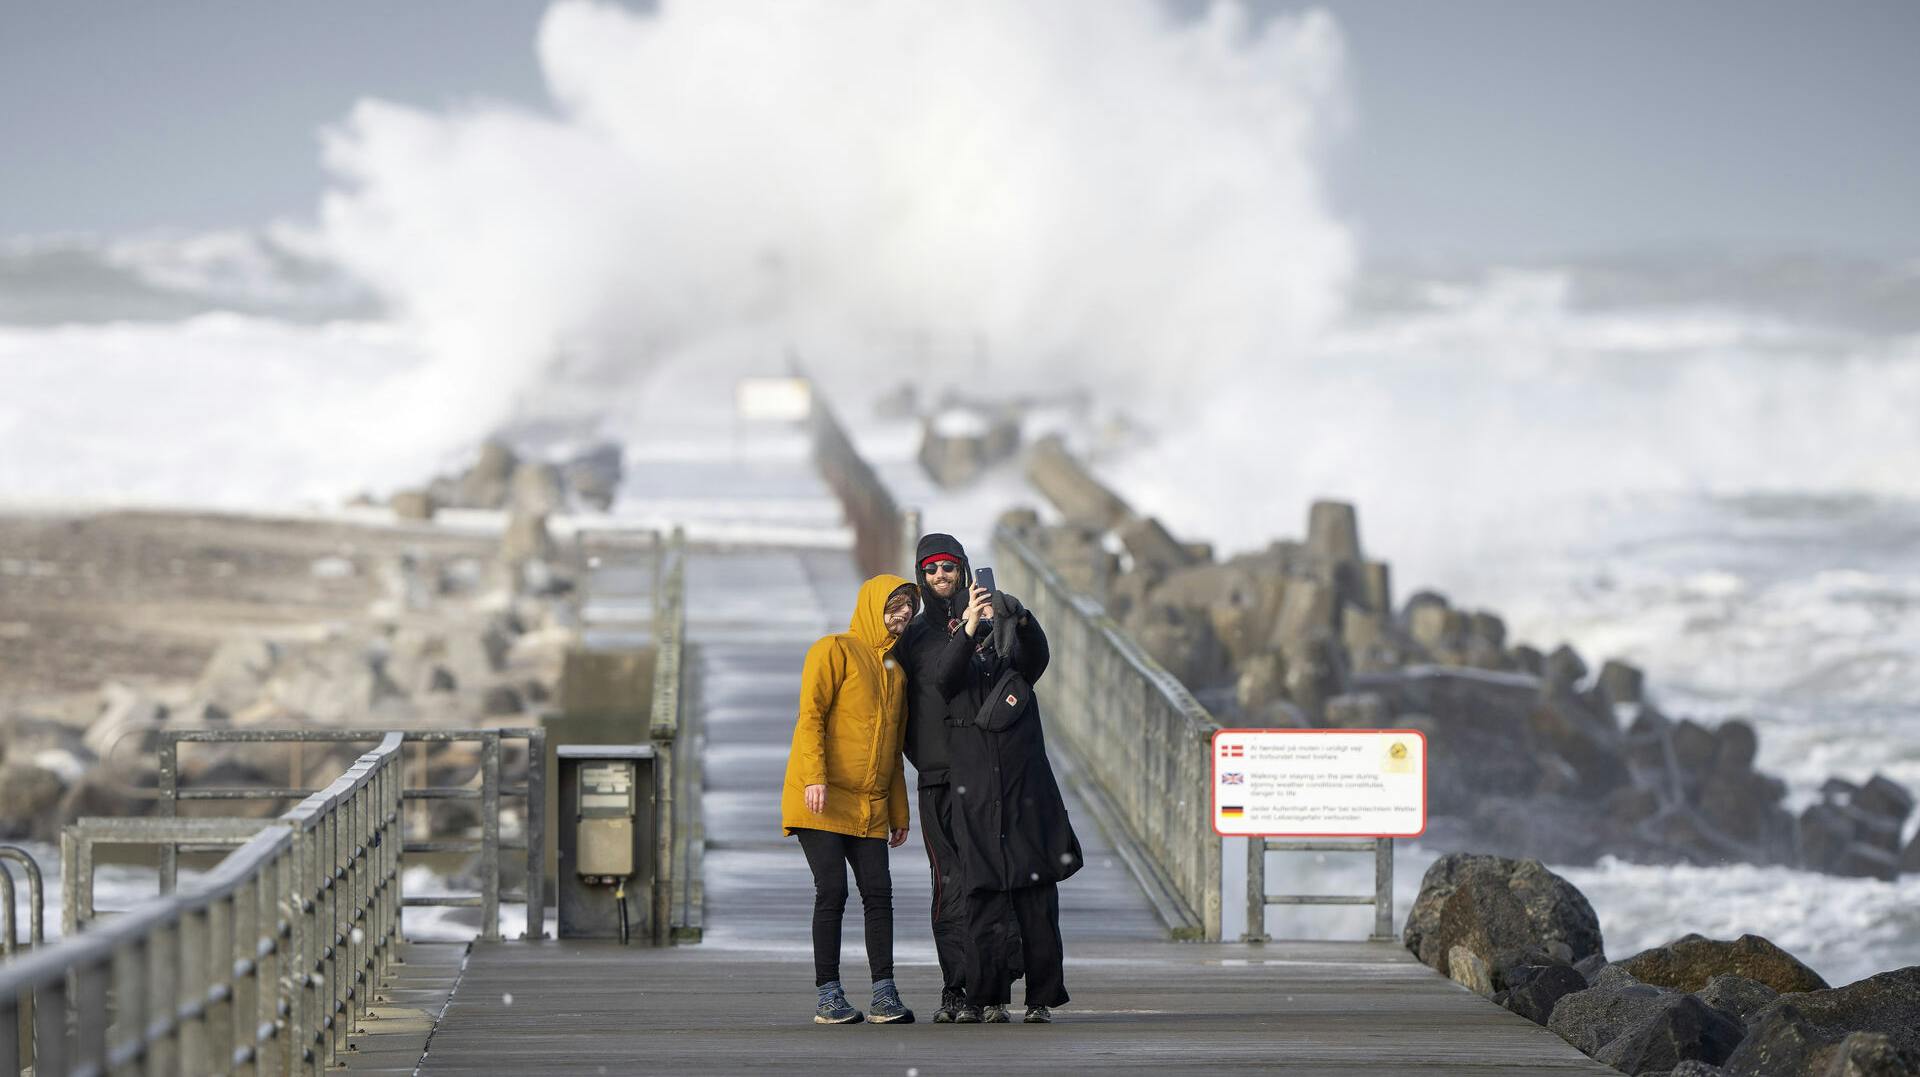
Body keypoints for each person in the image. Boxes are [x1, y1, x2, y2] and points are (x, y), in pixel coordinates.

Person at [934, 575, 1081, 1024]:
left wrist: (1023, 617)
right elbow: (945, 677)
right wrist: (969, 628)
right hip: (976, 795)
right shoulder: (954, 661)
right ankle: (985, 998)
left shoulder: (1014, 661)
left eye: (992, 613)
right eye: (980, 611)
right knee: (983, 900)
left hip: (1025, 796)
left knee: (1036, 900)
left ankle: (1041, 998)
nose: (989, 618)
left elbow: (1040, 654)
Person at [779, 574, 920, 1024]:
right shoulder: (833, 649)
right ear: (872, 605)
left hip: (870, 805)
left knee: (879, 894)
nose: (902, 614)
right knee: (833, 891)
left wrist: (899, 811)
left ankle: (884, 993)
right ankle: (829, 994)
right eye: (894, 606)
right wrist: (815, 778)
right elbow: (811, 718)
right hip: (819, 798)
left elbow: (894, 750)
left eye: (908, 608)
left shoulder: (897, 672)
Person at [897, 533, 983, 1022]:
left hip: (985, 774)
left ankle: (987, 988)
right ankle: (955, 987)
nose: (941, 577)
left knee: (988, 881)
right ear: (921, 575)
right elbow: (891, 705)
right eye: (930, 570)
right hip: (936, 778)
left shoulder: (987, 622)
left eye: (949, 567)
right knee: (947, 882)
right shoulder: (912, 636)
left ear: (963, 569)